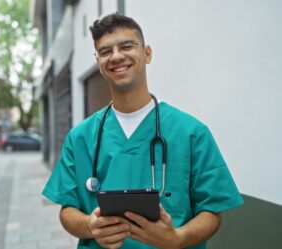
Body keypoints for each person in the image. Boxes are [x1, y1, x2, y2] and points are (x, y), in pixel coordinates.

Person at [42, 12, 243, 249]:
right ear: (99, 63)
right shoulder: (80, 138)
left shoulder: (191, 133)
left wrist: (178, 239)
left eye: (126, 46)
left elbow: (211, 212)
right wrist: (89, 225)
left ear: (147, 53)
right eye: (105, 51)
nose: (116, 56)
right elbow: (67, 210)